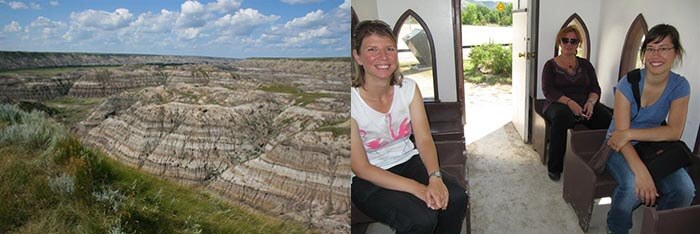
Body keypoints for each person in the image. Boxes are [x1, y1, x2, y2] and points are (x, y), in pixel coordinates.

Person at [350, 19, 467, 234]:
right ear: (357, 56)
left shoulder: (409, 89)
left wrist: (435, 177)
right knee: (421, 219)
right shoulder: (350, 102)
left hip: (406, 160)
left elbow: (423, 140)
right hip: (367, 178)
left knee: (457, 196)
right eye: (372, 49)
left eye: (389, 49)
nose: (383, 57)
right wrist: (419, 189)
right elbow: (361, 167)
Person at [605, 24, 695, 234]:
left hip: (651, 144)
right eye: (651, 48)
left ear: (676, 53)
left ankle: (657, 226)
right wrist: (641, 172)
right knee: (631, 186)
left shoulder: (680, 86)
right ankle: (615, 227)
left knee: (685, 190)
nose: (657, 55)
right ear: (644, 54)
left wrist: (630, 132)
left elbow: (674, 131)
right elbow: (619, 136)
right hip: (618, 144)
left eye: (664, 48)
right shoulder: (628, 83)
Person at [541, 25, 612, 181]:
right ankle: (555, 167)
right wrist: (570, 103)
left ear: (578, 44)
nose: (569, 44)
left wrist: (591, 103)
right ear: (559, 42)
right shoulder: (550, 65)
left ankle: (601, 160)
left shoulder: (586, 65)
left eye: (573, 41)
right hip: (557, 103)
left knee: (608, 120)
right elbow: (548, 91)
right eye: (565, 40)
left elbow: (595, 87)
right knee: (561, 119)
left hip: (585, 103)